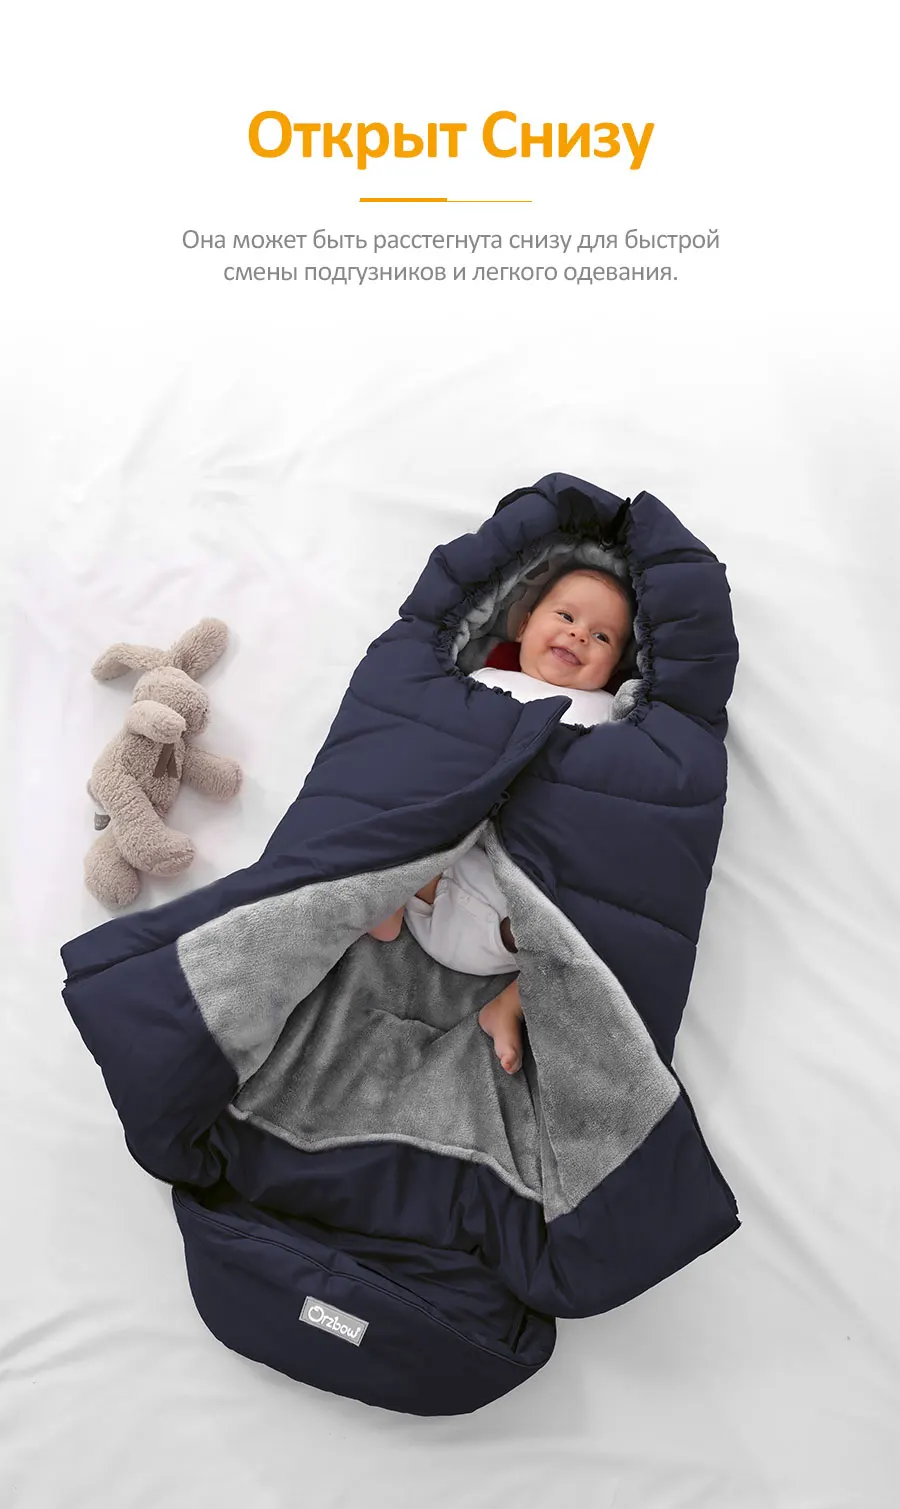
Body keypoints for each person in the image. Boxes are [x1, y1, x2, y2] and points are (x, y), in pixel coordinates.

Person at [368, 567, 635, 1075]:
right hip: (447, 867)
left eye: (602, 636)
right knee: (408, 802)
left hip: (514, 912)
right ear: (524, 624)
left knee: (590, 923)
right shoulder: (488, 682)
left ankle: (509, 1005)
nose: (579, 635)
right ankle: (389, 894)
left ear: (615, 667)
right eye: (566, 616)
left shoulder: (610, 713)